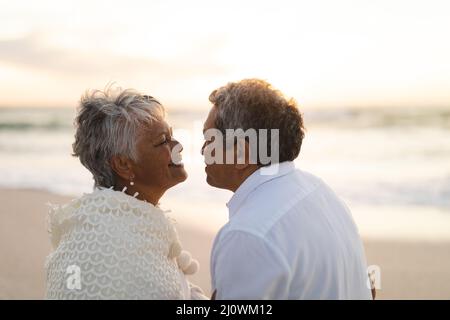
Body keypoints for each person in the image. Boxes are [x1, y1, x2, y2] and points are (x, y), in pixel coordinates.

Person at [202, 79, 373, 299]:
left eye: (209, 139)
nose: (202, 150)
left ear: (241, 154)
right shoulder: (320, 191)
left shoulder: (247, 235)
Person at [45, 87, 206, 299]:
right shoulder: (113, 246)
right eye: (162, 141)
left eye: (172, 136)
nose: (178, 146)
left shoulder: (106, 224)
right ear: (123, 164)